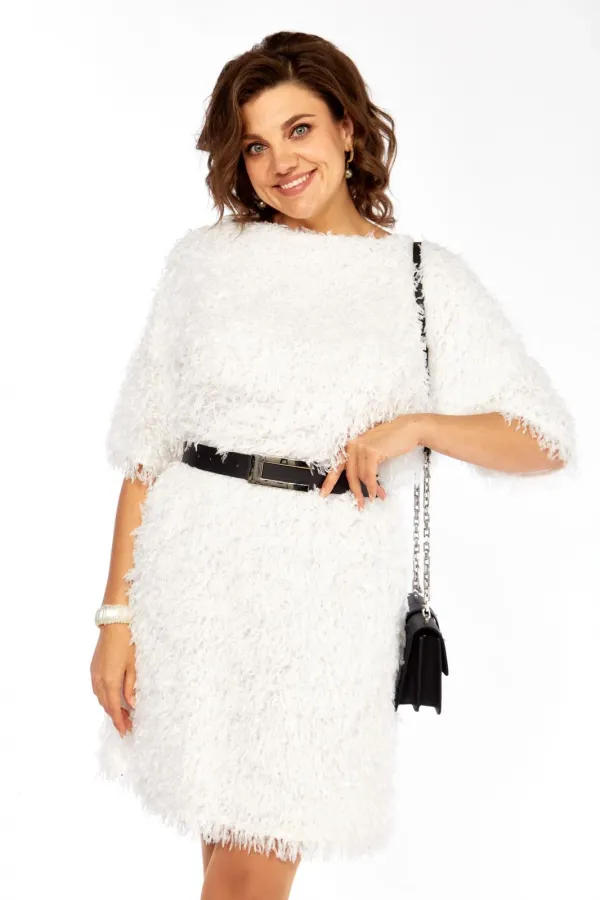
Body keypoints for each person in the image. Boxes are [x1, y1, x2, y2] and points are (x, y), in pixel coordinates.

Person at [90, 30, 576, 900]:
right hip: (194, 587)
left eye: (300, 129)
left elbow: (542, 438)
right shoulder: (205, 262)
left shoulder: (422, 278)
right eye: (256, 145)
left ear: (349, 129)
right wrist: (115, 619)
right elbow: (146, 449)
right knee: (224, 862)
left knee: (247, 877)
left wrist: (416, 425)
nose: (280, 162)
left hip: (321, 604)